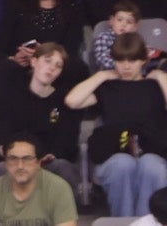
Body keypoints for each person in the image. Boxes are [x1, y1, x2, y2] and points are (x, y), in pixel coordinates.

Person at [65, 33, 167, 217]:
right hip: (114, 155)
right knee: (123, 164)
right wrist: (101, 75)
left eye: (132, 60)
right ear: (114, 60)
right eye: (121, 60)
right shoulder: (108, 86)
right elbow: (72, 101)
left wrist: (161, 77)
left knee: (151, 165)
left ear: (143, 60)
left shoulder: (154, 86)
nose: (126, 66)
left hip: (153, 154)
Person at [0, 0, 87, 103]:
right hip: (22, 70)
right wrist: (15, 58)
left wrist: (44, 56)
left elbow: (71, 51)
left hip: (56, 69)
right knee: (6, 68)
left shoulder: (71, 9)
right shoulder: (15, 5)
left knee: (76, 67)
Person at [0, 45, 81, 191]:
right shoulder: (12, 95)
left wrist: (45, 158)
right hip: (15, 159)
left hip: (49, 162)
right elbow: (0, 135)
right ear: (34, 61)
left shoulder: (63, 100)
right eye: (47, 61)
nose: (51, 68)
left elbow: (67, 143)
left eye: (58, 66)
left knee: (64, 168)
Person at [0, 133, 78, 226]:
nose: (20, 166)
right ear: (5, 163)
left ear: (39, 163)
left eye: (27, 159)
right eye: (13, 159)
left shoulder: (58, 188)